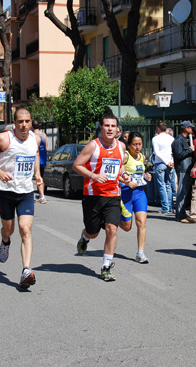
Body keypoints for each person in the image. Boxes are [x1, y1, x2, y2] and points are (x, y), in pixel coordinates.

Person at [0, 108, 43, 289]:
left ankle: (26, 270)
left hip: (25, 192)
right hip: (6, 192)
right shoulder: (3, 138)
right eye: (20, 122)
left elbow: (35, 153)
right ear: (14, 122)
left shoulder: (36, 138)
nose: (24, 125)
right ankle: (5, 242)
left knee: (25, 229)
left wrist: (37, 174)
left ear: (31, 122)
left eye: (27, 121)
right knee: (9, 230)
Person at [73, 113, 130, 282]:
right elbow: (77, 165)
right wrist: (94, 176)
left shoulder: (121, 146)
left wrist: (124, 175)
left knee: (112, 228)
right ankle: (85, 237)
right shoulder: (93, 146)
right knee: (93, 233)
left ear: (117, 129)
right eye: (107, 126)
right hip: (93, 195)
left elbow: (120, 167)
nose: (110, 129)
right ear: (101, 128)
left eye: (113, 126)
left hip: (113, 194)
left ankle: (106, 267)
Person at [119, 132, 152, 264]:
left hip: (139, 194)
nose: (137, 147)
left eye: (140, 144)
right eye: (134, 144)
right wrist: (126, 181)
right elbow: (117, 174)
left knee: (141, 223)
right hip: (126, 193)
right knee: (127, 227)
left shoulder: (142, 157)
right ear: (129, 145)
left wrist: (146, 176)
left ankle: (140, 253)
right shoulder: (125, 157)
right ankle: (111, 220)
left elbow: (141, 173)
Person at [171, 121, 196, 222]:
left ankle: (182, 211)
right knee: (182, 191)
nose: (191, 129)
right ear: (185, 128)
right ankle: (179, 213)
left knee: (185, 191)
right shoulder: (178, 140)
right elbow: (178, 155)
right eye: (190, 127)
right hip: (182, 169)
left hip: (187, 168)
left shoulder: (184, 140)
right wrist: (190, 150)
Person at [151, 122, 175, 214]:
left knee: (161, 185)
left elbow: (157, 153)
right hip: (170, 162)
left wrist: (165, 162)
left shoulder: (155, 139)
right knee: (168, 184)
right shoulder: (171, 138)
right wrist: (171, 162)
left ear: (158, 129)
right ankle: (170, 206)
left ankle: (165, 207)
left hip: (160, 162)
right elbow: (173, 152)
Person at [32, 120, 48, 204]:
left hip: (36, 159)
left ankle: (41, 195)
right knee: (41, 176)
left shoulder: (33, 135)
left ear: (32, 126)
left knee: (38, 177)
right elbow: (46, 146)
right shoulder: (43, 135)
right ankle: (41, 194)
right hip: (43, 158)